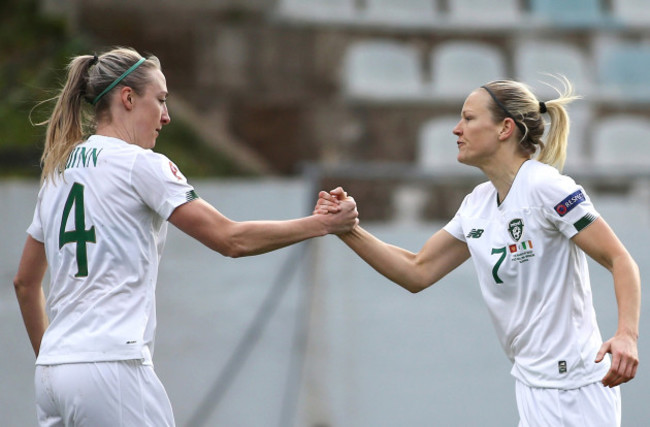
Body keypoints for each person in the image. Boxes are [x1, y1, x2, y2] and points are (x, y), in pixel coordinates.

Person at [13, 46, 358, 427]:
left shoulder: (58, 171)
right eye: (159, 100)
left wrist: (56, 357)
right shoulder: (140, 165)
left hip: (51, 375)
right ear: (128, 98)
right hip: (111, 366)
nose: (166, 116)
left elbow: (26, 283)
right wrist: (322, 224)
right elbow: (230, 239)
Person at [315, 78, 640, 426]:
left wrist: (626, 336)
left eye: (468, 118)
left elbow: (620, 259)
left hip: (575, 388)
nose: (457, 129)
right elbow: (416, 270)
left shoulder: (547, 188)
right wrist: (348, 230)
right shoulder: (477, 203)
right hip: (532, 383)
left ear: (505, 128)